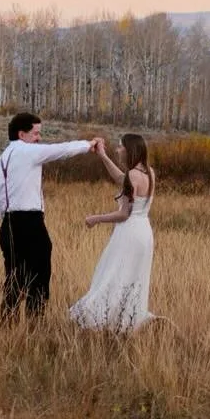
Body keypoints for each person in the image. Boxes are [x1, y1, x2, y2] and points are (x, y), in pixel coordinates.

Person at [0, 112, 95, 322]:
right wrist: (88, 145)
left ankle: (8, 325)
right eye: (36, 133)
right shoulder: (28, 152)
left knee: (14, 275)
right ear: (22, 134)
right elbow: (61, 150)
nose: (39, 138)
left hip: (8, 224)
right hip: (30, 223)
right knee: (40, 274)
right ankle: (34, 324)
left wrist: (8, 218)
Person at [69, 132, 157, 333]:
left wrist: (95, 219)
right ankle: (125, 320)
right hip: (144, 232)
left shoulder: (133, 175)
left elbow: (124, 214)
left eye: (120, 147)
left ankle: (103, 320)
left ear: (129, 150)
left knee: (112, 274)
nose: (118, 150)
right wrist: (103, 155)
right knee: (131, 278)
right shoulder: (149, 172)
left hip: (129, 233)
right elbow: (120, 177)